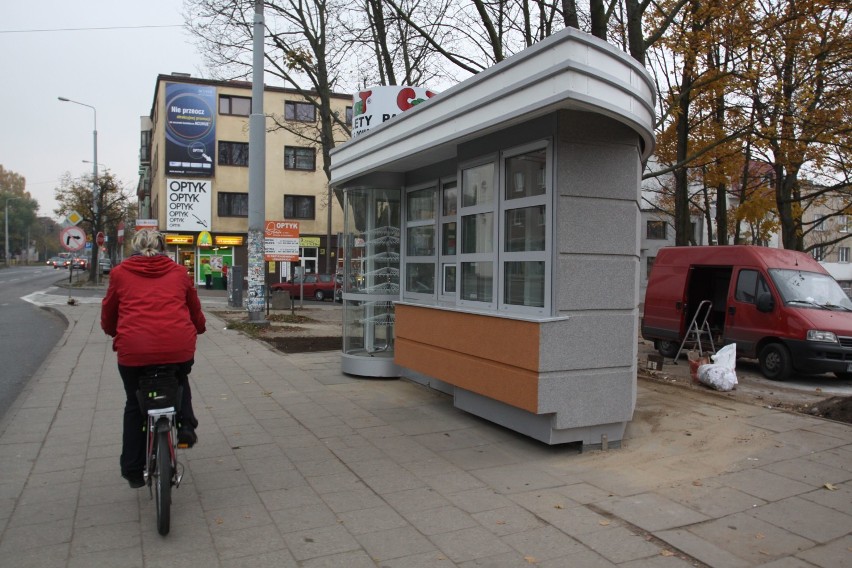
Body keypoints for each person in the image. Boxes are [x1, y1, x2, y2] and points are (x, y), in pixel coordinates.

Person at [101, 230, 206, 488]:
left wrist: (114, 331)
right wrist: (199, 328)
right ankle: (185, 427)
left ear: (135, 248)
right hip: (176, 345)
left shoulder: (119, 274)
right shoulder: (179, 273)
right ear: (162, 247)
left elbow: (109, 313)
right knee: (180, 380)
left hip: (134, 350)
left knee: (135, 404)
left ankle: (134, 470)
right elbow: (194, 309)